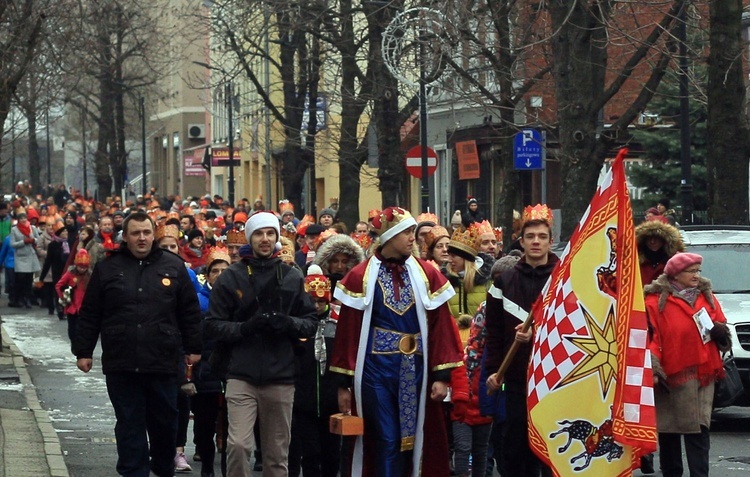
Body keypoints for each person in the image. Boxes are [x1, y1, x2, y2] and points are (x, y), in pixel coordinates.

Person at [329, 206, 463, 477]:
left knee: (412, 441)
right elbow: (348, 333)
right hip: (375, 372)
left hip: (417, 372)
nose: (413, 238)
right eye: (406, 233)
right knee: (387, 439)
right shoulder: (359, 277)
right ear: (389, 236)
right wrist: (344, 383)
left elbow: (441, 327)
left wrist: (442, 375)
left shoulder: (427, 274)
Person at [73, 211, 203, 477]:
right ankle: (134, 471)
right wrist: (83, 351)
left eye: (146, 232)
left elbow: (189, 312)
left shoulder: (173, 266)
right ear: (126, 237)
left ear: (153, 235)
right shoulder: (109, 267)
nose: (142, 238)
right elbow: (90, 312)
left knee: (165, 425)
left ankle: (163, 466)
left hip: (163, 362)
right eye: (136, 233)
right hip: (122, 362)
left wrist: (194, 348)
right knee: (130, 425)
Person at [204, 212, 318, 477]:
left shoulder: (291, 276)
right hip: (241, 373)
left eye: (270, 233)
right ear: (250, 238)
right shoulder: (231, 277)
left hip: (281, 376)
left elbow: (310, 321)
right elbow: (212, 324)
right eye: (258, 233)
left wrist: (287, 323)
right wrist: (244, 329)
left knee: (277, 454)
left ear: (277, 237)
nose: (265, 239)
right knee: (239, 446)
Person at [485, 206, 557, 477]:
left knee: (552, 445)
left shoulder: (564, 279)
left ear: (551, 240)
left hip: (554, 378)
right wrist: (494, 371)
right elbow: (492, 332)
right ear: (522, 241)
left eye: (541, 236)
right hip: (516, 377)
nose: (536, 241)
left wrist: (535, 335)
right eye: (530, 236)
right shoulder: (504, 281)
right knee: (516, 445)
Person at [645, 252, 731, 477]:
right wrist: (655, 369)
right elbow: (651, 338)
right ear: (675, 274)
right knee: (669, 432)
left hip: (704, 375)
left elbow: (719, 323)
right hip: (671, 379)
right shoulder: (655, 302)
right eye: (691, 271)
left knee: (699, 431)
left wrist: (721, 333)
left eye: (698, 271)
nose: (696, 275)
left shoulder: (707, 296)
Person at [288, 265, 341, 477]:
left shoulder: (340, 321)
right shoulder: (297, 323)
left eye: (321, 301)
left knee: (331, 452)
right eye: (313, 301)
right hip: (304, 398)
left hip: (332, 398)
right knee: (309, 452)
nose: (317, 306)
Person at [193, 247, 232, 477]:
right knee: (204, 425)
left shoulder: (237, 299)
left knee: (231, 428)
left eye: (224, 271)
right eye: (214, 271)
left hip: (232, 373)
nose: (219, 275)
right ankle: (207, 468)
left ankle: (228, 469)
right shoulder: (198, 302)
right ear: (207, 275)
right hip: (205, 372)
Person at [444, 223, 495, 331]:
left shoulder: (487, 280)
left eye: (453, 256)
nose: (449, 259)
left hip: (480, 339)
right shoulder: (445, 281)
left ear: (465, 259)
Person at [55, 249, 92, 346]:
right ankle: (74, 344)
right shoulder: (70, 274)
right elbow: (59, 285)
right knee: (72, 329)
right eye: (80, 266)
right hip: (72, 307)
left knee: (83, 329)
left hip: (84, 307)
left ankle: (81, 346)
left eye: (84, 267)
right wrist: (63, 297)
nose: (82, 269)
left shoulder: (90, 276)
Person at [10, 210, 41, 309]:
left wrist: (33, 240)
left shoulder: (32, 228)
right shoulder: (14, 230)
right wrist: (23, 242)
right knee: (21, 279)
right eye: (21, 218)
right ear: (18, 220)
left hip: (31, 256)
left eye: (24, 218)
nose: (23, 220)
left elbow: (38, 239)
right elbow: (13, 244)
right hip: (21, 257)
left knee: (29, 280)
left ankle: (28, 299)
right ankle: (20, 298)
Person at [40, 223, 71, 319]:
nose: (66, 233)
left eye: (66, 231)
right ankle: (60, 311)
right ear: (59, 233)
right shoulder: (53, 245)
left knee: (67, 291)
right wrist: (42, 276)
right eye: (63, 231)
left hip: (67, 272)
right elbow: (48, 261)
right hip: (57, 271)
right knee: (58, 291)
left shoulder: (68, 243)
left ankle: (65, 309)